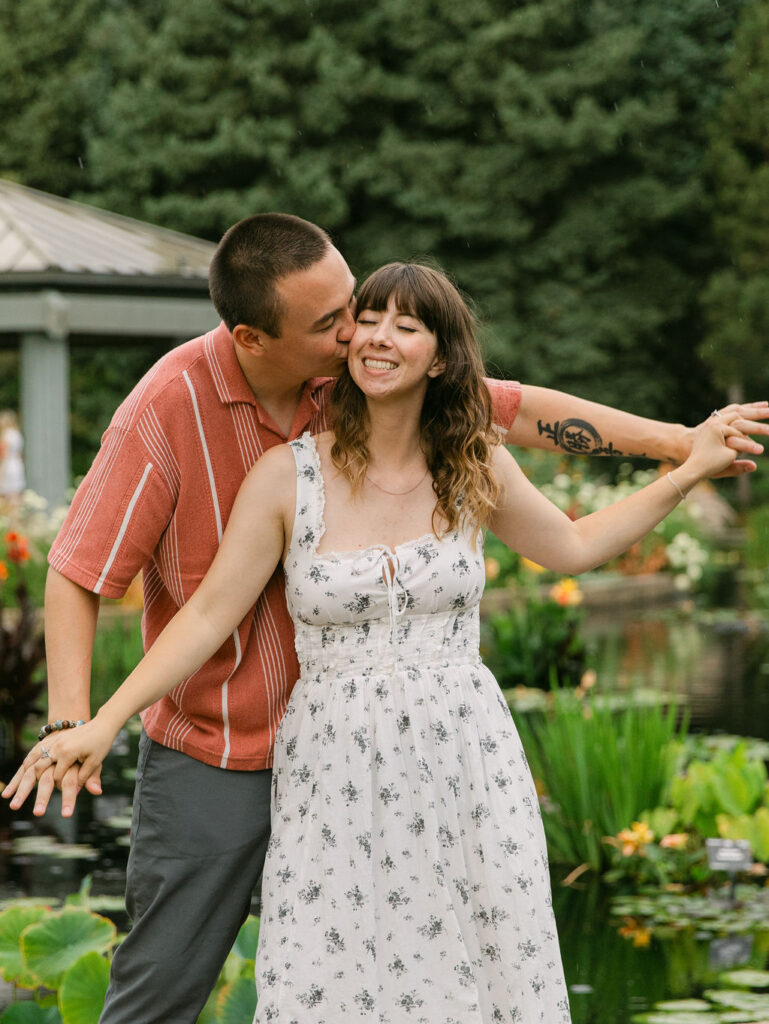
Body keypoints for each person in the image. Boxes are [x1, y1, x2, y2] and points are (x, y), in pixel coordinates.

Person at [3, 216, 768, 1024]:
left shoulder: (420, 422)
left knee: (447, 978)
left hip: (434, 762)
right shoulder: (180, 415)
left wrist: (680, 448)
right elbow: (108, 584)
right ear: (254, 338)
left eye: (368, 311)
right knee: (176, 987)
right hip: (228, 743)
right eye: (342, 321)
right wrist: (82, 720)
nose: (357, 334)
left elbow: (533, 436)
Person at [0, 410, 26, 506]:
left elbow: (4, 455)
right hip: (17, 465)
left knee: (8, 496)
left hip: (8, 466)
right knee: (16, 494)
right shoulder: (17, 434)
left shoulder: (6, 435)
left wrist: (1, 473)